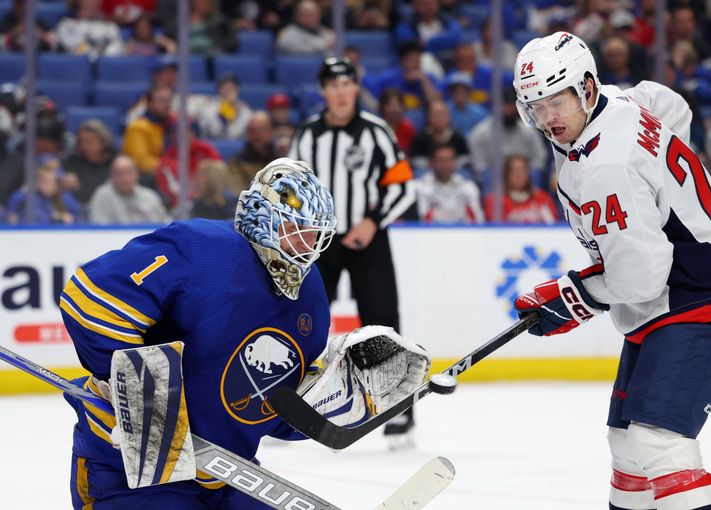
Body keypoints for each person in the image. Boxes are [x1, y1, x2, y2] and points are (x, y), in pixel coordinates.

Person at [61, 157, 430, 508]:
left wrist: (343, 399)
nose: (306, 247)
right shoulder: (200, 248)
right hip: (129, 474)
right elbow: (89, 298)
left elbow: (267, 410)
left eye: (314, 236)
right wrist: (142, 399)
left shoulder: (311, 296)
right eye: (294, 231)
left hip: (225, 476)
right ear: (260, 218)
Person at [511, 32, 711, 510]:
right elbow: (668, 104)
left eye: (556, 101)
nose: (547, 119)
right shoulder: (616, 100)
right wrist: (660, 192)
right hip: (684, 284)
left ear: (585, 88)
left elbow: (641, 279)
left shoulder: (606, 169)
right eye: (535, 106)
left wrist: (575, 296)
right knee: (628, 446)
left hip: (707, 290)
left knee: (658, 443)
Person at [289, 58, 418, 448]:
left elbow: (402, 187)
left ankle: (399, 411)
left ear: (356, 89)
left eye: (347, 84)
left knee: (382, 324)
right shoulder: (307, 136)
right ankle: (289, 405)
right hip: (319, 244)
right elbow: (290, 189)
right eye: (333, 84)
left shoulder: (377, 132)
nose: (341, 91)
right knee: (301, 321)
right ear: (323, 91)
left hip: (368, 239)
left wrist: (371, 221)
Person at [88, 155, 170, 224]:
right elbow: (99, 229)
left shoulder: (150, 196)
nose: (124, 178)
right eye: (119, 174)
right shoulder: (102, 196)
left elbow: (165, 224)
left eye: (128, 173)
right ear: (111, 176)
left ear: (137, 175)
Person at [416, 143, 483, 223]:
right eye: (441, 160)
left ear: (455, 162)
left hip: (463, 233)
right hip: (431, 233)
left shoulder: (468, 187)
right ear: (431, 163)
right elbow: (421, 219)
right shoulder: (419, 187)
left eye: (449, 160)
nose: (445, 164)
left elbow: (478, 220)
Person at [483, 154, 558, 224]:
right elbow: (495, 229)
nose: (518, 175)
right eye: (514, 171)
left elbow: (552, 226)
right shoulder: (496, 201)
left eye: (522, 170)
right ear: (506, 174)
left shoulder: (542, 198)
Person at [5, 159, 81, 225]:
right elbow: (12, 210)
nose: (47, 185)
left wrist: (69, 220)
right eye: (43, 181)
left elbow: (77, 218)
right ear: (37, 182)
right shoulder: (28, 196)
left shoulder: (65, 197)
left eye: (50, 182)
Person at [61, 119, 116, 206]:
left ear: (103, 142)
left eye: (89, 142)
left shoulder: (115, 162)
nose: (84, 146)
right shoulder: (70, 162)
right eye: (81, 142)